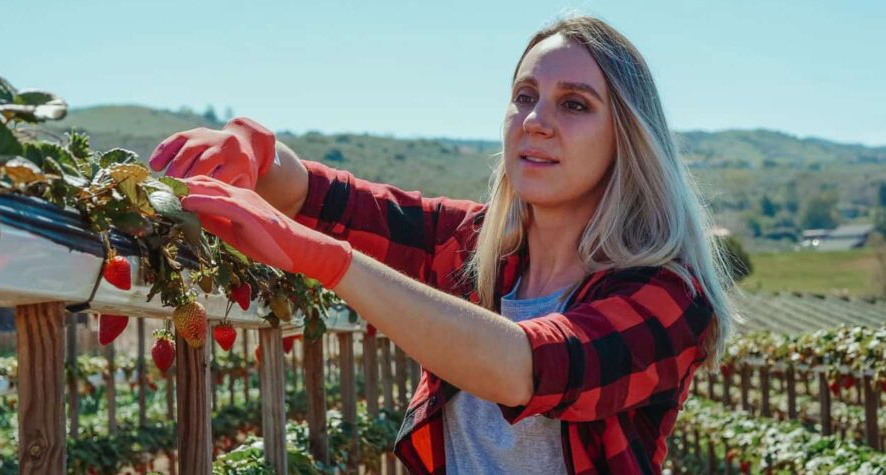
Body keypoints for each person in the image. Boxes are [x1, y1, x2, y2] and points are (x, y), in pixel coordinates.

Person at [149, 15, 736, 475]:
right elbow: (339, 202)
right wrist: (257, 153)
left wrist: (321, 258)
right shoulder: (478, 247)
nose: (535, 120)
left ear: (627, 137)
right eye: (525, 95)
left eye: (575, 104)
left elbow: (526, 368)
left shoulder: (669, 294)